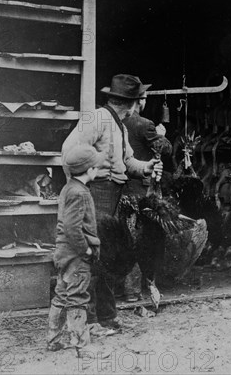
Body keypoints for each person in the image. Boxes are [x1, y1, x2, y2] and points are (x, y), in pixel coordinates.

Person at [61, 74, 163, 330]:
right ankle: (93, 319)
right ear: (132, 103)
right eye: (140, 100)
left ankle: (106, 318)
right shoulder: (96, 118)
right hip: (96, 193)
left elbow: (127, 162)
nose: (141, 105)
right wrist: (80, 188)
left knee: (107, 256)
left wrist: (147, 167)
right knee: (94, 256)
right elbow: (69, 153)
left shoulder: (121, 125)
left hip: (114, 194)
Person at [47, 144, 106, 354]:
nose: (97, 170)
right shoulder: (80, 193)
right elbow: (73, 228)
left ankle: (53, 340)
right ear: (90, 170)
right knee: (77, 297)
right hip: (76, 257)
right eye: (96, 167)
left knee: (62, 295)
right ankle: (81, 345)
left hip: (64, 253)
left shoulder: (68, 187)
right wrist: (86, 251)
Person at [121, 96, 173, 302]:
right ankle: (138, 288)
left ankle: (127, 289)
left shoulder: (116, 122)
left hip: (120, 188)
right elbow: (165, 149)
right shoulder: (144, 124)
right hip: (141, 189)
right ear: (139, 101)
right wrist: (162, 135)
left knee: (125, 235)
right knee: (142, 239)